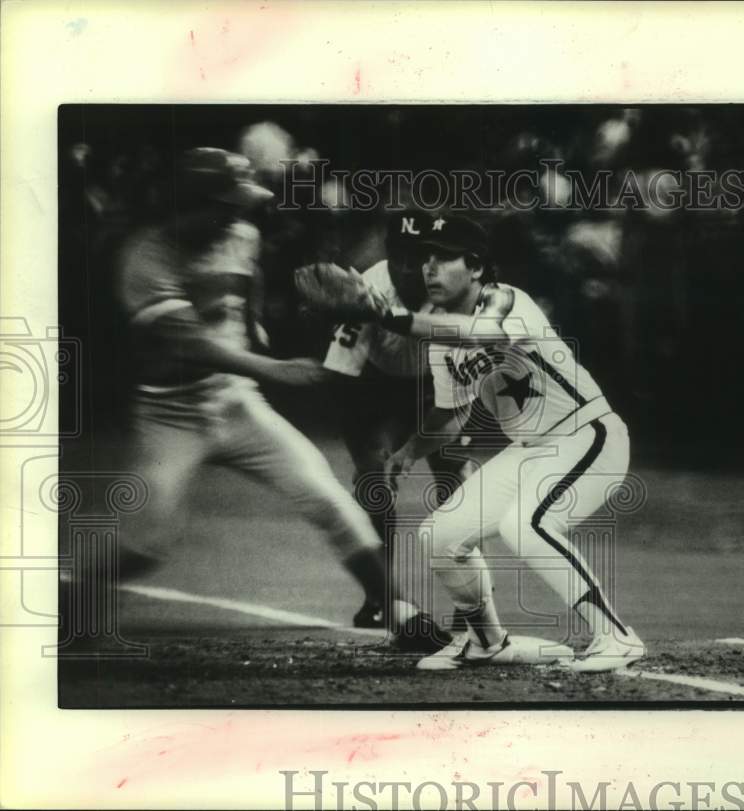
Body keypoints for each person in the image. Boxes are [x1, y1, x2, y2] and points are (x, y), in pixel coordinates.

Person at [113, 147, 444, 651]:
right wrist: (273, 368)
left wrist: (252, 322)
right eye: (227, 205)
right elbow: (186, 344)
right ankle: (70, 600)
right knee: (145, 542)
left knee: (330, 500)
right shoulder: (145, 258)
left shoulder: (240, 235)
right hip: (170, 414)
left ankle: (400, 614)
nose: (238, 215)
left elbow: (249, 276)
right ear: (188, 203)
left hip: (236, 404)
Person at [378, 214, 645, 672]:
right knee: (439, 535)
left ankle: (616, 636)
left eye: (444, 258)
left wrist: (390, 317)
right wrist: (407, 453)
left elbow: (481, 334)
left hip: (587, 436)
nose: (429, 267)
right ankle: (487, 642)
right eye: (425, 258)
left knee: (525, 525)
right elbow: (451, 416)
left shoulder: (505, 299)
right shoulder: (438, 335)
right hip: (528, 451)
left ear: (476, 266)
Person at [316, 209, 472, 630]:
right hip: (377, 389)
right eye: (398, 255)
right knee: (375, 486)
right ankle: (379, 596)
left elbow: (460, 391)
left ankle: (472, 602)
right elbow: (339, 378)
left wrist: (415, 447)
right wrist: (368, 459)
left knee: (458, 485)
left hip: (438, 387)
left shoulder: (459, 292)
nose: (406, 267)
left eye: (417, 257)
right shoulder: (367, 290)